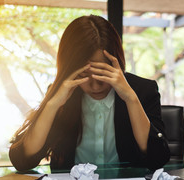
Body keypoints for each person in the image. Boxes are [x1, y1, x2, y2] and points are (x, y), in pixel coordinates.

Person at [9, 15, 170, 171]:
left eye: (102, 73)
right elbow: (22, 161)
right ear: (69, 70)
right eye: (84, 75)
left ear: (117, 63)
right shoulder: (62, 93)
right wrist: (52, 105)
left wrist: (130, 99)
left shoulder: (142, 90)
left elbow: (157, 159)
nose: (95, 85)